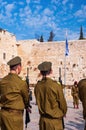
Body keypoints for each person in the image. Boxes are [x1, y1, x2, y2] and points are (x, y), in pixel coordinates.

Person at [34, 61, 67, 130]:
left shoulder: (37, 86)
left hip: (43, 121)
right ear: (51, 71)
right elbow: (62, 104)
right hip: (54, 122)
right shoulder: (55, 85)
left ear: (41, 73)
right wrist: (63, 113)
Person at [0, 56, 29, 130]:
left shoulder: (2, 81)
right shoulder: (21, 82)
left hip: (3, 115)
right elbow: (26, 98)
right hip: (15, 116)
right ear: (18, 67)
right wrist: (27, 106)